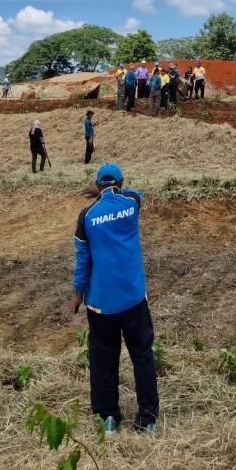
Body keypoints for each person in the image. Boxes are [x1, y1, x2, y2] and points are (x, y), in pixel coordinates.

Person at [64, 163, 159, 435]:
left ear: (97, 184)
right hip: (133, 298)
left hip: (101, 304)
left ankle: (108, 418)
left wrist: (76, 294)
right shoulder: (132, 202)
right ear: (121, 182)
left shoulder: (87, 216)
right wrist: (108, 189)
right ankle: (148, 419)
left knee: (104, 359)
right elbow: (132, 192)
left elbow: (83, 260)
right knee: (142, 356)